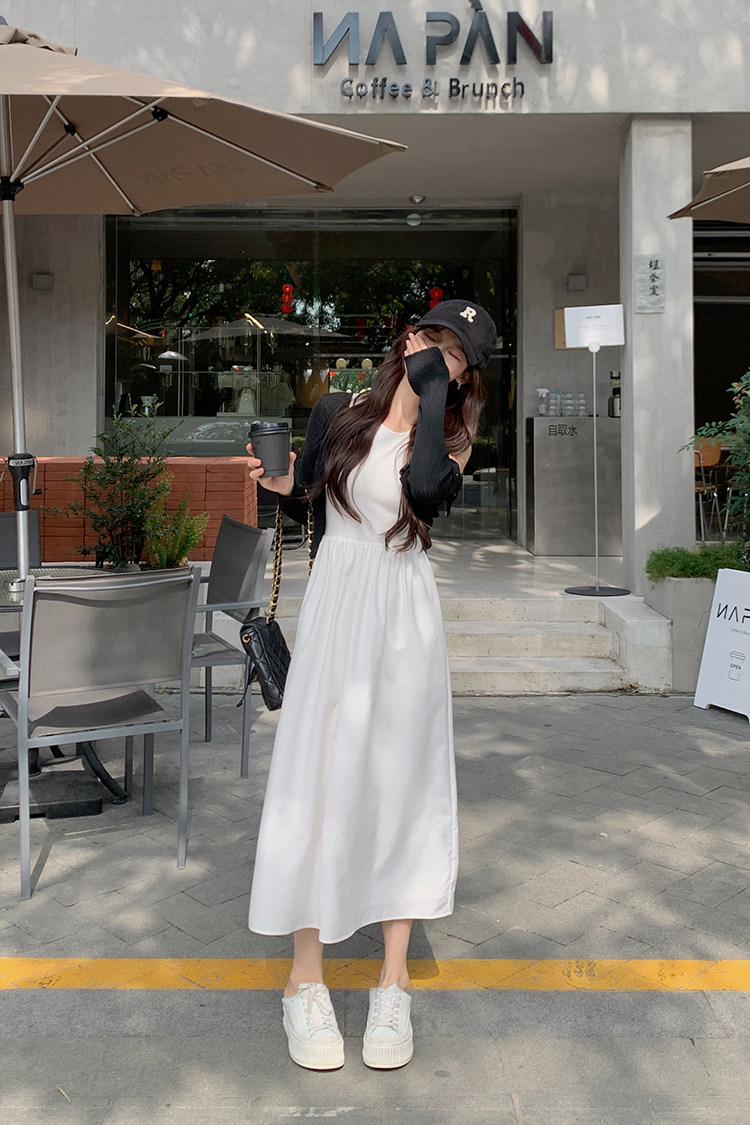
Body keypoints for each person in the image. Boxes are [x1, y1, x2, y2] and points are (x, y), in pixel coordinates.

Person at [246, 299, 497, 1072]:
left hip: (404, 620)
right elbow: (308, 495)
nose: (436, 354)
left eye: (455, 354)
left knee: (402, 786)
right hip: (336, 610)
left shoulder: (453, 440)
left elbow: (422, 492)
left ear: (466, 376)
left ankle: (394, 983)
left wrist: (430, 395)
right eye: (432, 338)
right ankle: (305, 980)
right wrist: (276, 480)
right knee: (317, 781)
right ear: (407, 335)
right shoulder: (339, 410)